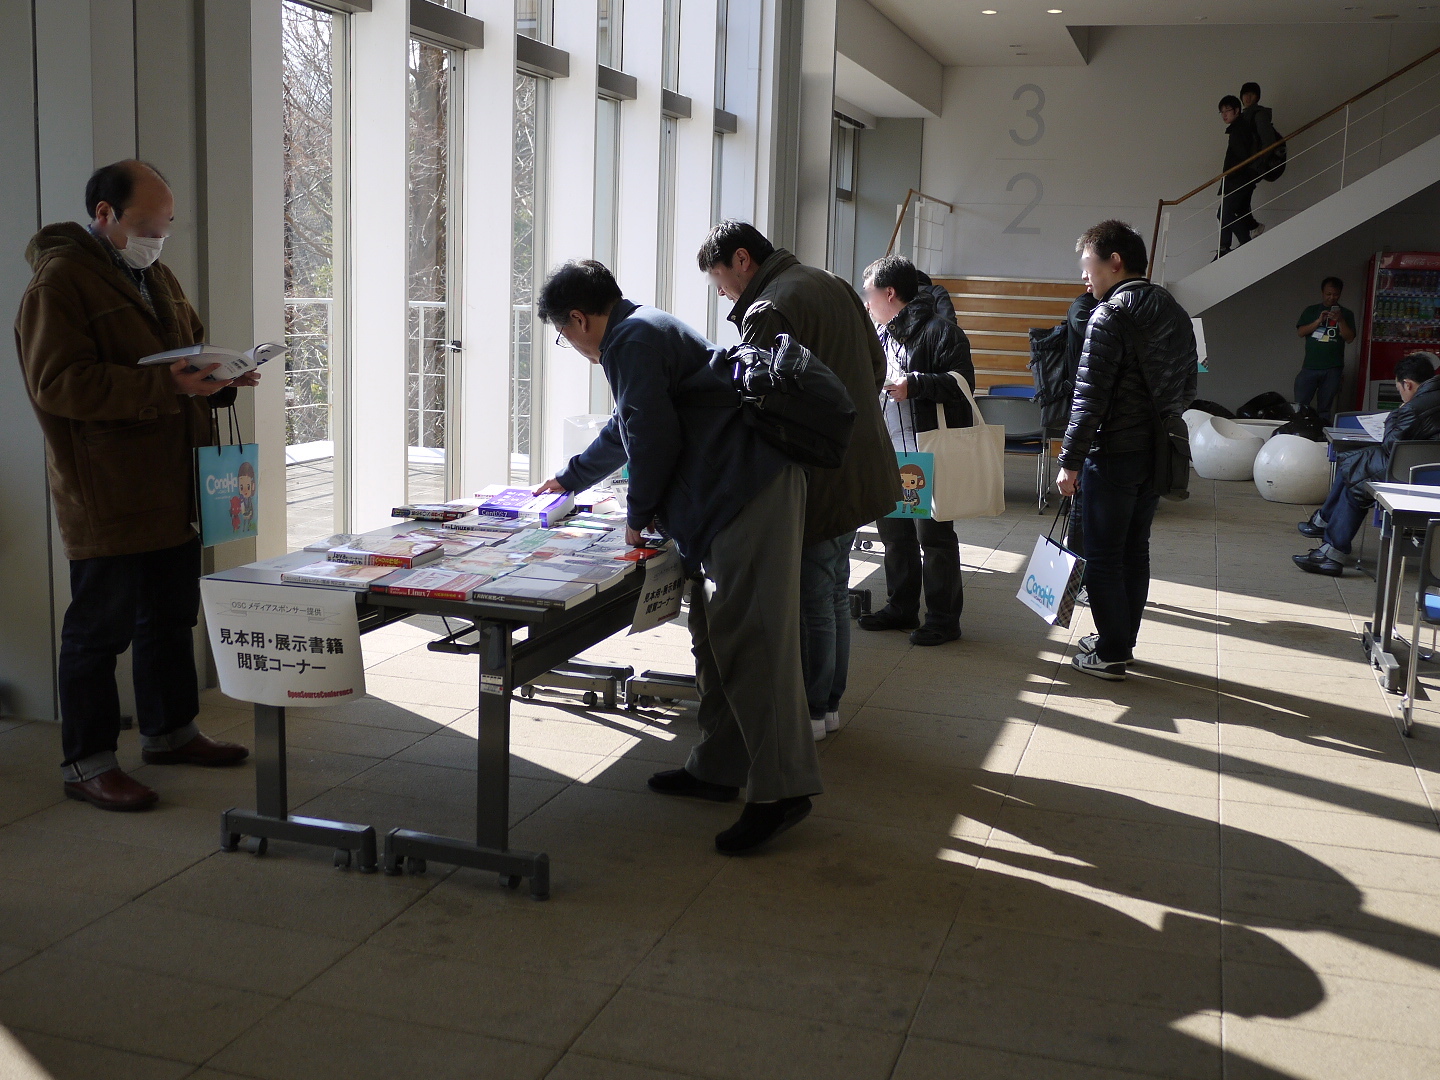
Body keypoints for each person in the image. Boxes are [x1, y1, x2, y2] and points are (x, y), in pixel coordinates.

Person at [532, 260, 821, 853]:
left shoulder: (631, 341)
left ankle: (782, 791)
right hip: (731, 494)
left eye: (564, 335)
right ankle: (717, 767)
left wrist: (637, 516)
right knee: (717, 636)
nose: (571, 344)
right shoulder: (643, 329)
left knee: (755, 641)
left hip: (747, 492)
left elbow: (652, 437)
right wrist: (570, 479)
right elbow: (627, 425)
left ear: (579, 319)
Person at [14, 160, 254, 812]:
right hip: (108, 490)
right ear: (104, 216)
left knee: (169, 617)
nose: (159, 238)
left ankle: (170, 732)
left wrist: (222, 374)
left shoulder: (154, 274)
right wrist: (167, 385)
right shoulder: (59, 285)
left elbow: (189, 348)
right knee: (99, 632)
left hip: (173, 482)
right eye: (148, 226)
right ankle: (87, 762)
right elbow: (59, 385)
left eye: (165, 226)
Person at [697, 222, 898, 741]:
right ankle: (828, 704)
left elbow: (754, 401)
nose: (721, 292)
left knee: (814, 591)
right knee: (833, 587)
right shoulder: (830, 282)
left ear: (743, 260)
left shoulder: (771, 309)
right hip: (860, 459)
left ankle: (809, 710)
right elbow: (877, 366)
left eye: (719, 278)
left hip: (816, 472)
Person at [1056, 220, 1198, 681]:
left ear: (1114, 262)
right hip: (1158, 451)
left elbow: (1089, 398)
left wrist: (1070, 461)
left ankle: (1113, 651)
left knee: (1101, 554)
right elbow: (1188, 387)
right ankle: (1120, 639)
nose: (1084, 277)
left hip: (1113, 452)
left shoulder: (1109, 315)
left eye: (1088, 266)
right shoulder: (1175, 312)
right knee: (1135, 549)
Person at [856, 254, 974, 646]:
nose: (866, 301)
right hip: (887, 448)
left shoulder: (942, 333)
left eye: (869, 293)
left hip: (925, 450)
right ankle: (901, 606)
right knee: (894, 536)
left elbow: (962, 386)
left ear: (890, 293)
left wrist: (916, 384)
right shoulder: (878, 332)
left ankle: (943, 618)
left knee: (934, 539)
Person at [1295, 352, 1440, 576]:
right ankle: (1325, 530)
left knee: (1358, 477)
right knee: (1356, 464)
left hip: (1414, 474)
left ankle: (1332, 549)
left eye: (1400, 389)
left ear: (1408, 384)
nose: (1401, 395)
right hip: (1429, 470)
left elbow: (1390, 444)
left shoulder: (1414, 408)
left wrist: (1395, 415)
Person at [1294, 277, 1356, 423]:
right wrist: (1318, 321)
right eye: (1328, 294)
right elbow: (1301, 332)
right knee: (1300, 406)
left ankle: (1321, 435)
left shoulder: (1346, 314)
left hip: (1333, 368)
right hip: (1310, 366)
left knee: (1325, 408)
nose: (1331, 298)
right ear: (1322, 292)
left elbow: (1349, 338)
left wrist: (1340, 320)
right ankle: (1299, 431)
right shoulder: (1311, 310)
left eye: (1335, 294)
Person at [1217, 94, 1262, 255]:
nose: (1224, 115)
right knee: (1225, 213)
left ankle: (1244, 242)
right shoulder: (1238, 128)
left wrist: (1231, 174)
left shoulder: (1239, 130)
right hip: (1238, 179)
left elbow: (1242, 156)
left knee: (1225, 213)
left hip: (1238, 179)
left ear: (1237, 110)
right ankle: (1224, 247)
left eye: (1227, 110)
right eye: (1222, 112)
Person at [1241, 81, 1283, 190]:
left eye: (1252, 94)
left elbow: (1268, 141)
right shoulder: (1245, 117)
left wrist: (1257, 166)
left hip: (1254, 166)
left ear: (1257, 97)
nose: (1248, 98)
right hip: (1249, 165)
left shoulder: (1259, 115)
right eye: (1245, 94)